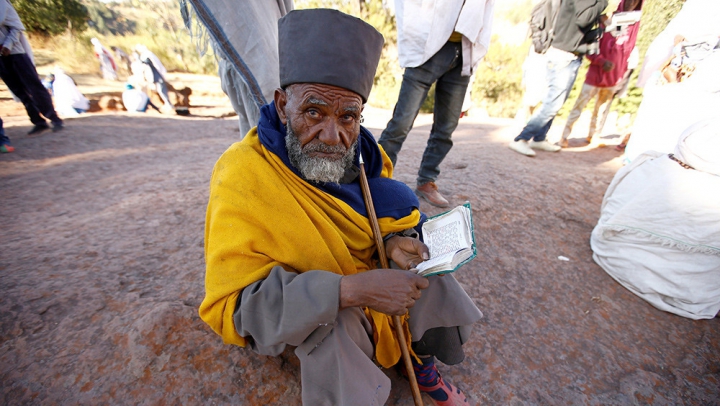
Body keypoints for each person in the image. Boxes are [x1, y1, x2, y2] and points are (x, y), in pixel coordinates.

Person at [200, 9, 483, 406]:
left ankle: (417, 362)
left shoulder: (364, 155)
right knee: (335, 327)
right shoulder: (242, 173)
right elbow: (240, 306)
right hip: (300, 307)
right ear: (283, 105)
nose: (332, 136)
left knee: (425, 268)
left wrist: (393, 241)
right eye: (313, 112)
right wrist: (348, 290)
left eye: (348, 116)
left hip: (365, 284)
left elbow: (379, 217)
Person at [377, 0, 495, 208]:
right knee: (401, 122)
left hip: (463, 51)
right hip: (428, 47)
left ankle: (426, 181)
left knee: (446, 128)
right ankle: (376, 177)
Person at [509, 0, 608, 157]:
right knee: (553, 102)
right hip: (564, 54)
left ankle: (539, 138)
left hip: (568, 53)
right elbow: (583, 18)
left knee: (557, 100)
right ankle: (522, 138)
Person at [559, 0, 643, 148]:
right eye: (629, 0)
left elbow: (626, 51)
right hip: (595, 75)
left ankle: (594, 135)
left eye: (635, 1)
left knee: (602, 109)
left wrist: (621, 74)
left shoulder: (632, 27)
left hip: (614, 77)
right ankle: (564, 136)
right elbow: (591, 49)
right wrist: (601, 61)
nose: (632, 3)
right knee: (580, 105)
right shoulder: (605, 20)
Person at [0, 0, 63, 134]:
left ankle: (54, 118)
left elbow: (16, 27)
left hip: (16, 53)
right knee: (18, 90)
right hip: (1, 57)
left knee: (33, 86)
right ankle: (38, 121)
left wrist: (8, 45)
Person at [135, 44, 173, 110]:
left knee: (161, 89)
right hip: (152, 75)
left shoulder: (148, 54)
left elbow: (147, 63)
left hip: (157, 74)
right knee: (158, 90)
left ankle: (168, 104)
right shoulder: (144, 55)